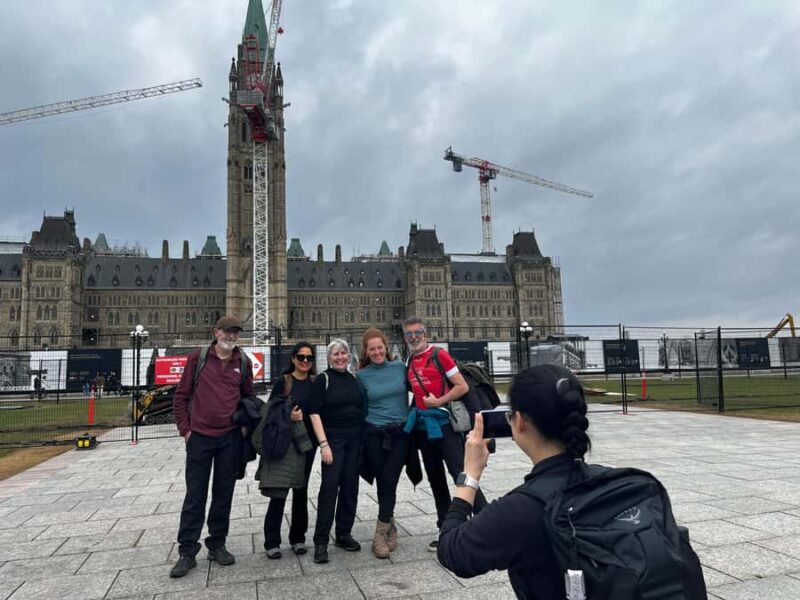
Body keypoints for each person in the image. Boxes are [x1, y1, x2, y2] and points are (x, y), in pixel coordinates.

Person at [437, 365, 707, 599]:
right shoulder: (630, 483)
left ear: (518, 422)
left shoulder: (521, 510)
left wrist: (469, 475)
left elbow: (451, 551)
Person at [169, 316, 253, 578]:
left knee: (223, 494)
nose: (231, 336)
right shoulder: (198, 359)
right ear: (216, 332)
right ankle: (187, 551)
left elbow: (248, 398)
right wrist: (186, 431)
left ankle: (217, 544)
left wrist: (243, 428)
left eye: (235, 332)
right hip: (200, 438)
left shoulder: (244, 362)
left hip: (229, 438)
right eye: (227, 331)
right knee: (195, 495)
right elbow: (181, 397)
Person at [402, 316, 487, 551]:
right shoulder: (410, 360)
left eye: (417, 333)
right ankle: (445, 528)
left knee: (461, 474)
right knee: (435, 478)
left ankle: (485, 523)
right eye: (409, 334)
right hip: (422, 429)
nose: (414, 337)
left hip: (445, 425)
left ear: (426, 334)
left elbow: (462, 386)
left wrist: (438, 400)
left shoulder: (439, 355)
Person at [308, 338, 366, 564]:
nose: (340, 357)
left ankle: (343, 533)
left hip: (354, 441)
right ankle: (321, 541)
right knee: (329, 489)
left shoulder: (354, 379)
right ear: (329, 358)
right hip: (333, 441)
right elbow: (314, 413)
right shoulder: (323, 380)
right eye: (336, 354)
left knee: (351, 487)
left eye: (343, 353)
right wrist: (324, 445)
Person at [259, 342, 318, 559]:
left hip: (306, 445)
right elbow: (270, 413)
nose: (304, 361)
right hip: (285, 444)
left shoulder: (315, 382)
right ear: (293, 358)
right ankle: (272, 541)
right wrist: (288, 416)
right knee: (279, 491)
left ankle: (298, 538)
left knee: (301, 491)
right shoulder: (283, 382)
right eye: (301, 357)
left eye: (308, 358)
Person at [356, 327, 410, 558]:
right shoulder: (361, 376)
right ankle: (390, 525)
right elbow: (358, 406)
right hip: (374, 434)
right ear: (366, 353)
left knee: (389, 479)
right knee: (382, 482)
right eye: (372, 349)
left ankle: (379, 534)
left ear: (386, 348)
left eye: (380, 347)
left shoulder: (400, 368)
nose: (377, 352)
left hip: (399, 434)